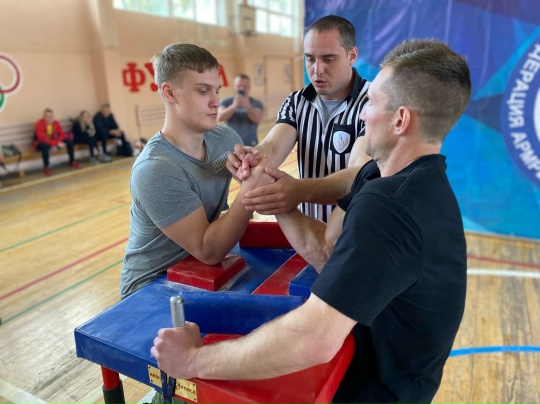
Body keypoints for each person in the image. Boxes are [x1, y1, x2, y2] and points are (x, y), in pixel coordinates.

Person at [151, 38, 471, 404]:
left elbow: (314, 339)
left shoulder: (389, 207)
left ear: (401, 120)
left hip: (376, 391)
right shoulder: (406, 179)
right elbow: (328, 250)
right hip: (367, 361)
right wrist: (278, 197)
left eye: (371, 103)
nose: (363, 116)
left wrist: (192, 360)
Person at [120, 43, 273, 300]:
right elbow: (208, 250)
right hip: (150, 288)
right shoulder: (155, 168)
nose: (216, 102)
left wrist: (252, 170)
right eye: (203, 91)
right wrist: (250, 189)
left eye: (217, 90)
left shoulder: (225, 139)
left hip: (199, 272)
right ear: (169, 92)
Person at [227, 15, 372, 223]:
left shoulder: (373, 103)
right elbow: (272, 147)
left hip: (355, 232)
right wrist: (252, 158)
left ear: (352, 55)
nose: (317, 70)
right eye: (310, 59)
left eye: (328, 59)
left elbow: (357, 175)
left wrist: (298, 190)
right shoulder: (296, 101)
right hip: (307, 232)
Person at [217, 74, 264, 147]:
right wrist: (234, 106)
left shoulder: (256, 103)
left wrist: (248, 106)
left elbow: (258, 120)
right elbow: (220, 117)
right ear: (234, 87)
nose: (242, 89)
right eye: (239, 86)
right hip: (231, 145)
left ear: (249, 88)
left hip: (251, 144)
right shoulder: (226, 101)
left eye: (245, 87)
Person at [33, 108, 80, 176]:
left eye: (51, 116)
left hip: (53, 141)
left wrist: (57, 143)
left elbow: (61, 134)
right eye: (47, 116)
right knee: (45, 146)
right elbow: (42, 138)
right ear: (43, 117)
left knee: (69, 142)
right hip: (40, 143)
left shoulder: (56, 123)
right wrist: (55, 144)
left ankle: (72, 161)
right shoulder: (39, 123)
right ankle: (46, 167)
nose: (49, 118)